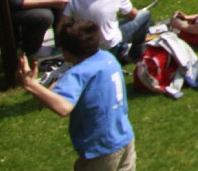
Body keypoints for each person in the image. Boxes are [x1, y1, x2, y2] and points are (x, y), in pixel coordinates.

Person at [16, 20, 136, 170]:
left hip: (102, 148)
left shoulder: (78, 73)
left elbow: (63, 107)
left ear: (65, 51)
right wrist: (42, 91)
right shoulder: (107, 58)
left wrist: (30, 84)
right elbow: (62, 90)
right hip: (124, 138)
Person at [61, 0, 152, 64]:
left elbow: (63, 23)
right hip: (109, 45)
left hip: (84, 44)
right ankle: (135, 54)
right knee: (145, 15)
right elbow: (133, 15)